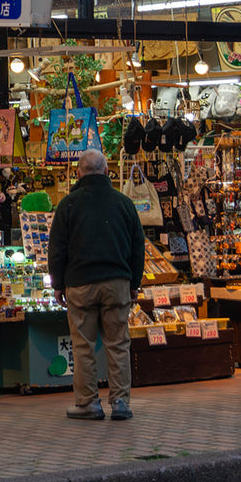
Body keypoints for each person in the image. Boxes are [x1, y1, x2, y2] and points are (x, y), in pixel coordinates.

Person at [47, 148, 146, 420]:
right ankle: (121, 403)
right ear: (106, 171)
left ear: (79, 173)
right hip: (117, 282)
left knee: (83, 346)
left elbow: (57, 248)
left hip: (80, 284)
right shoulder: (124, 203)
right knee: (118, 344)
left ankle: (88, 403)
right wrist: (134, 283)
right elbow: (138, 246)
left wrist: (57, 283)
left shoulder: (68, 205)